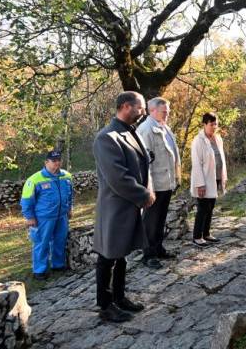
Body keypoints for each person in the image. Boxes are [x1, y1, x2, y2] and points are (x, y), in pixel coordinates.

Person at [92, 91, 155, 323]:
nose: (143, 112)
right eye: (140, 107)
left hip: (128, 206)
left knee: (121, 256)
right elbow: (118, 177)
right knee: (108, 257)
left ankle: (119, 297)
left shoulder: (129, 132)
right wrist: (143, 194)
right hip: (115, 207)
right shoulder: (107, 137)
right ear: (126, 106)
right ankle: (105, 305)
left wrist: (148, 188)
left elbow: (142, 165)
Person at [137, 97, 181, 269]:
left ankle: (158, 247)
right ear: (152, 110)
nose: (167, 114)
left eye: (168, 111)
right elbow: (144, 162)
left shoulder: (164, 126)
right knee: (151, 220)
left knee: (160, 218)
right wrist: (148, 188)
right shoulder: (146, 130)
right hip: (154, 184)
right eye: (164, 111)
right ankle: (148, 254)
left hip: (166, 182)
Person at [20, 150, 74, 281]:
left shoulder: (66, 176)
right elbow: (26, 200)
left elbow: (70, 194)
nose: (57, 163)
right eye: (54, 161)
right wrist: (29, 217)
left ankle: (58, 265)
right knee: (41, 243)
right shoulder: (34, 179)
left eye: (59, 160)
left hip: (62, 216)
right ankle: (40, 270)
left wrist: (70, 208)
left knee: (60, 241)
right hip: (44, 218)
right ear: (46, 162)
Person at [190, 112, 228, 247]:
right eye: (211, 124)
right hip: (204, 180)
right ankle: (197, 236)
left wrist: (224, 176)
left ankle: (206, 233)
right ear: (204, 124)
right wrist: (200, 184)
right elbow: (196, 164)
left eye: (216, 124)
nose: (214, 127)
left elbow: (221, 159)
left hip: (216, 178)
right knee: (203, 208)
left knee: (211, 207)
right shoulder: (198, 141)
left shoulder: (217, 139)